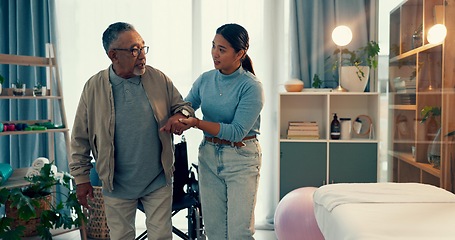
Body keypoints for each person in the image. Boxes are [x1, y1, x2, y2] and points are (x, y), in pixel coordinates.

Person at [69, 22, 194, 240]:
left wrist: (180, 116)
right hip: (116, 182)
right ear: (113, 55)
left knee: (161, 236)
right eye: (134, 50)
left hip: (157, 178)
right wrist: (81, 178)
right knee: (121, 236)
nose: (142, 56)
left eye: (143, 48)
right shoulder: (93, 87)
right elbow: (80, 137)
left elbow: (183, 106)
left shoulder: (159, 78)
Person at [178, 23, 264, 239]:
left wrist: (196, 123)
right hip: (208, 156)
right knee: (215, 231)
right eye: (213, 46)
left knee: (238, 233)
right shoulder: (206, 79)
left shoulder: (251, 87)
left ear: (240, 54)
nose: (215, 53)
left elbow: (235, 131)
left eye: (222, 49)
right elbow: (188, 104)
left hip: (241, 158)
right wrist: (179, 115)